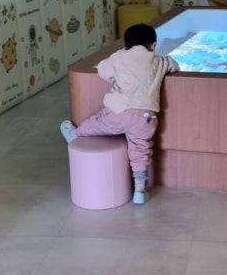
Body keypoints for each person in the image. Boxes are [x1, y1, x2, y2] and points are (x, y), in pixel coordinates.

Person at [60, 23, 178, 203]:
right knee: (140, 149)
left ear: (127, 45)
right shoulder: (159, 61)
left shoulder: (119, 56)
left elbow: (102, 69)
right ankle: (139, 190)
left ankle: (75, 134)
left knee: (98, 122)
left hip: (121, 112)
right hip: (147, 117)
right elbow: (175, 65)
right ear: (153, 45)